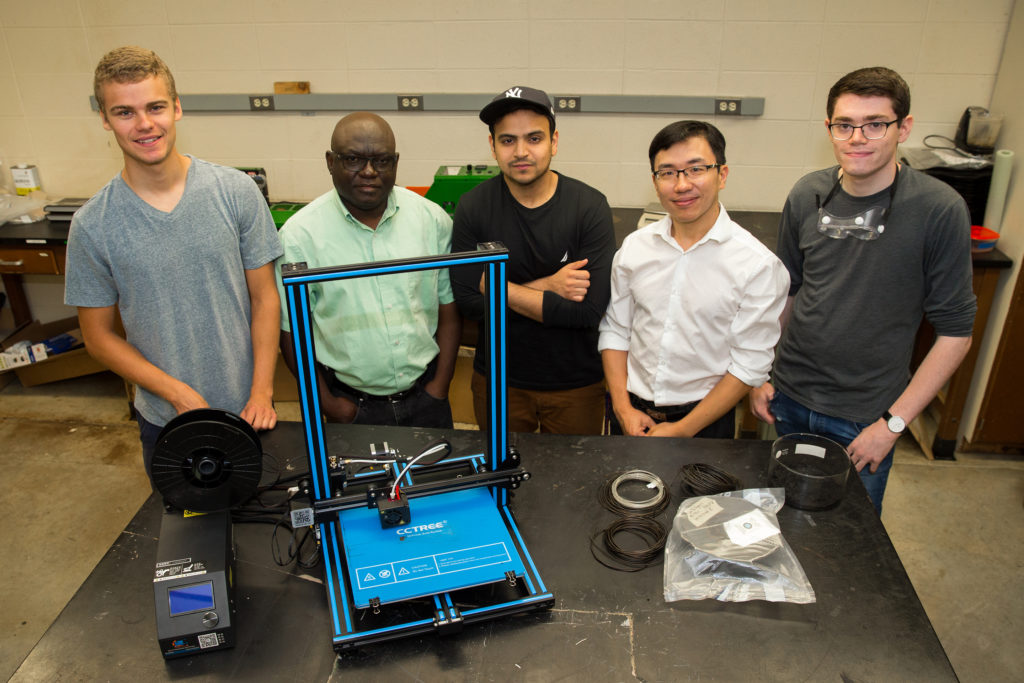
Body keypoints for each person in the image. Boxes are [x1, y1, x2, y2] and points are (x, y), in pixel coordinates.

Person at [750, 66, 977, 513]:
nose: (858, 137)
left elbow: (956, 334)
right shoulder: (807, 194)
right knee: (783, 523)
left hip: (866, 416)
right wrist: (761, 373)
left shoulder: (939, 209)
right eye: (845, 124)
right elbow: (787, 293)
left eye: (875, 124)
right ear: (829, 129)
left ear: (904, 128)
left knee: (853, 546)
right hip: (789, 399)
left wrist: (892, 424)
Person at [64, 46, 283, 481]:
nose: (144, 124)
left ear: (177, 108)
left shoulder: (236, 192)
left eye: (156, 107)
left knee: (266, 534)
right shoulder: (92, 225)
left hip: (250, 413)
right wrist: (176, 394)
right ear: (105, 120)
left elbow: (265, 299)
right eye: (124, 112)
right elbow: (99, 337)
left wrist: (262, 390)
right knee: (185, 544)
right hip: (164, 421)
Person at [599, 121, 789, 439]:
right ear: (655, 181)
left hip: (705, 422)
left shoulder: (757, 266)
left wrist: (682, 430)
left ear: (722, 174)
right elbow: (616, 331)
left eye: (696, 169)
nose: (682, 185)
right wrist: (622, 408)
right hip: (630, 413)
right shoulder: (635, 247)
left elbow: (748, 363)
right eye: (668, 172)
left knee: (699, 492)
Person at [275, 112, 460, 428]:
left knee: (438, 478)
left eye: (382, 161)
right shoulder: (299, 236)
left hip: (427, 400)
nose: (369, 172)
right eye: (353, 160)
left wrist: (439, 388)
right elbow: (292, 334)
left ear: (396, 162)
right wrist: (331, 406)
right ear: (330, 162)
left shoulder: (431, 220)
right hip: (351, 408)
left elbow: (448, 310)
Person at [451, 86, 616, 435]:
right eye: (508, 140)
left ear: (554, 142)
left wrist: (493, 287)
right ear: (492, 146)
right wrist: (549, 286)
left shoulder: (589, 207)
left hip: (576, 385)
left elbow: (587, 312)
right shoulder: (473, 207)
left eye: (534, 138)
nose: (521, 152)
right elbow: (468, 304)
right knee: (504, 485)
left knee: (574, 483)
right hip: (498, 383)